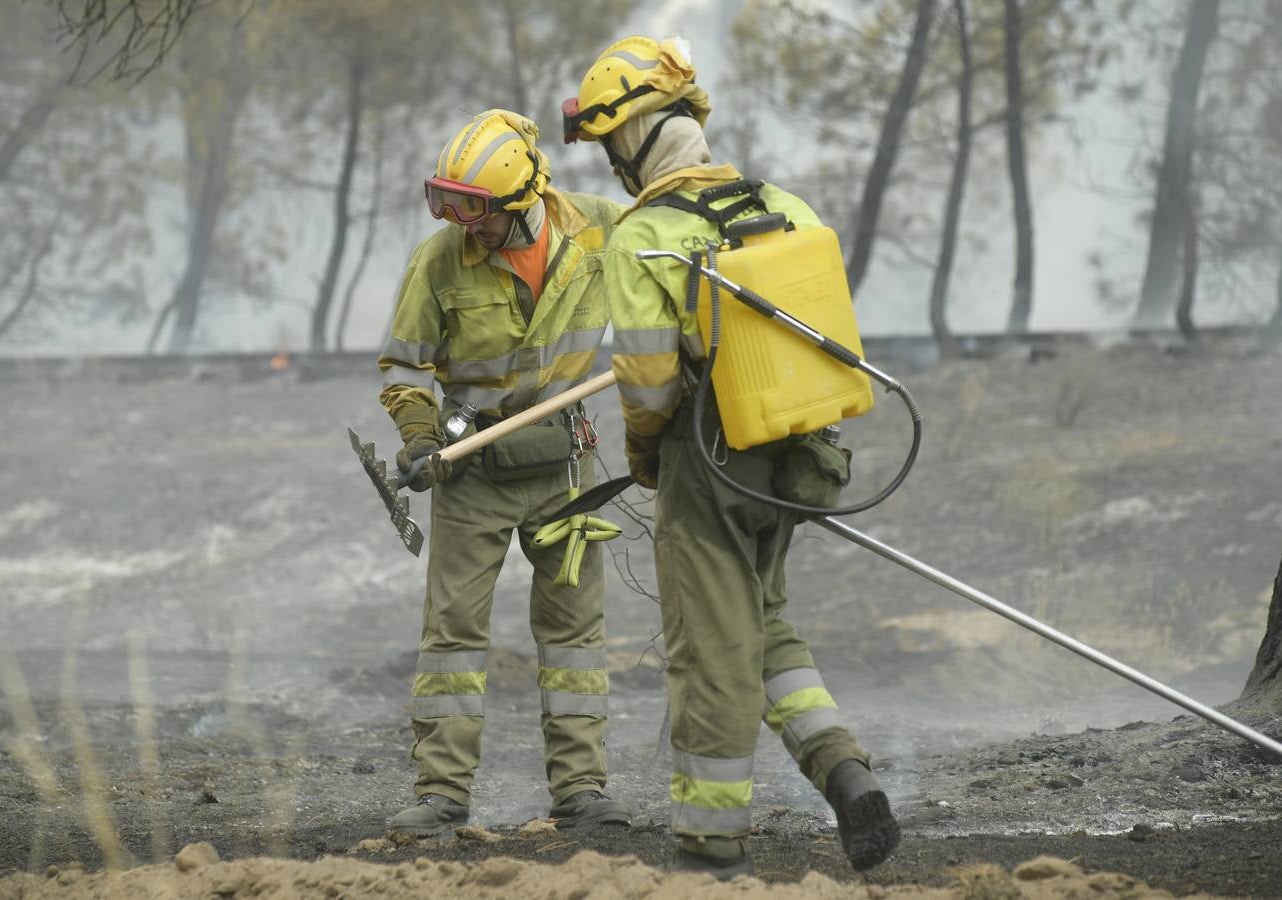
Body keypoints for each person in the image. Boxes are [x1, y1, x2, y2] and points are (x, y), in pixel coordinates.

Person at [562, 37, 901, 877]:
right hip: (795, 465)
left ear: (636, 137)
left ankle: (709, 843)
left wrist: (645, 457)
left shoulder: (647, 236)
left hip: (707, 468)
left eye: (610, 146)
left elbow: (644, 384)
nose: (611, 165)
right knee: (764, 627)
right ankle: (845, 771)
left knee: (709, 651)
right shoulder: (789, 207)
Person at [378, 108, 630, 835]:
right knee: (452, 637)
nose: (462, 222)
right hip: (472, 470)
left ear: (523, 202)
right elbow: (402, 365)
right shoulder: (441, 260)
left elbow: (671, 253)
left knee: (574, 632)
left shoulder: (601, 232)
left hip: (564, 465)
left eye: (476, 209)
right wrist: (420, 436)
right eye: (447, 203)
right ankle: (441, 795)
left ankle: (581, 789)